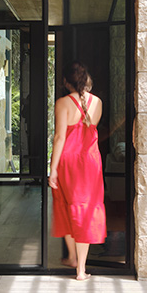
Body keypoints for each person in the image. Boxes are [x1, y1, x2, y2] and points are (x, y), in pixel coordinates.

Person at [48, 61, 106, 281]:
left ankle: (73, 258)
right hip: (91, 162)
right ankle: (79, 266)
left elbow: (60, 137)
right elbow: (90, 131)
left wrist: (52, 168)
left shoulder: (62, 103)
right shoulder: (98, 103)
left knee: (67, 207)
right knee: (86, 209)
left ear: (65, 82)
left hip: (68, 163)